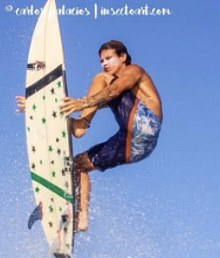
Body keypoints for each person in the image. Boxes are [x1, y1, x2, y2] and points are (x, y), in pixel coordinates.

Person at [17, 40, 163, 232]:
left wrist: (82, 102)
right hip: (137, 147)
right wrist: (38, 109)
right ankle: (81, 217)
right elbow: (104, 98)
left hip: (145, 124)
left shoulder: (135, 71)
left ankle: (80, 125)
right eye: (102, 60)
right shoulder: (115, 95)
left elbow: (114, 90)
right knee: (79, 165)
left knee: (102, 81)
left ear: (123, 57)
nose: (104, 64)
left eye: (109, 58)